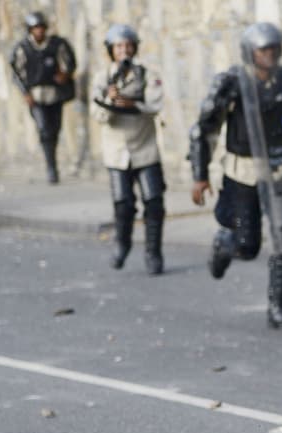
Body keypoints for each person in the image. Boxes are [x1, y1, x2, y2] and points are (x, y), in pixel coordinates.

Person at [188, 23, 282, 330]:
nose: (269, 54)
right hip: (243, 171)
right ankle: (225, 243)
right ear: (250, 52)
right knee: (248, 245)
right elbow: (204, 128)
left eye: (273, 48)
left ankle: (278, 306)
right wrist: (200, 173)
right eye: (263, 49)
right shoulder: (232, 82)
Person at [90, 23, 165, 274]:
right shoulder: (103, 77)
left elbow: (155, 104)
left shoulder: (144, 74)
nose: (124, 51)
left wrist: (133, 103)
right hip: (117, 151)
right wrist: (110, 99)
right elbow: (97, 113)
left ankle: (153, 252)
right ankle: (122, 244)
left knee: (154, 201)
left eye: (128, 45)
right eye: (119, 46)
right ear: (111, 50)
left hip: (144, 147)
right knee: (123, 203)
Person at [9, 11, 77, 184]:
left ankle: (52, 162)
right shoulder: (23, 47)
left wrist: (66, 74)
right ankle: (51, 168)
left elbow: (70, 62)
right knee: (44, 129)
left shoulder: (56, 44)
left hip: (55, 94)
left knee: (55, 128)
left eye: (41, 27)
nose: (39, 31)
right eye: (35, 28)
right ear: (30, 30)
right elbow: (16, 72)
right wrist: (25, 92)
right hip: (36, 95)